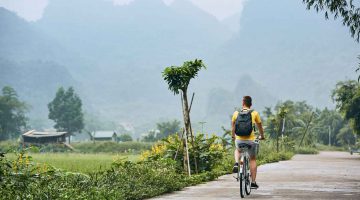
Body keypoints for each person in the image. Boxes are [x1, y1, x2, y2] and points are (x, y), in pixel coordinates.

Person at [232, 96, 265, 189]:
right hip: (251, 141)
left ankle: (236, 163)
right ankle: (253, 182)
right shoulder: (254, 113)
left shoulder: (236, 113)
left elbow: (233, 127)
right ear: (251, 104)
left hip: (239, 140)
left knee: (237, 150)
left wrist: (233, 136)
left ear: (243, 104)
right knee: (253, 159)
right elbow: (260, 127)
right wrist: (262, 136)